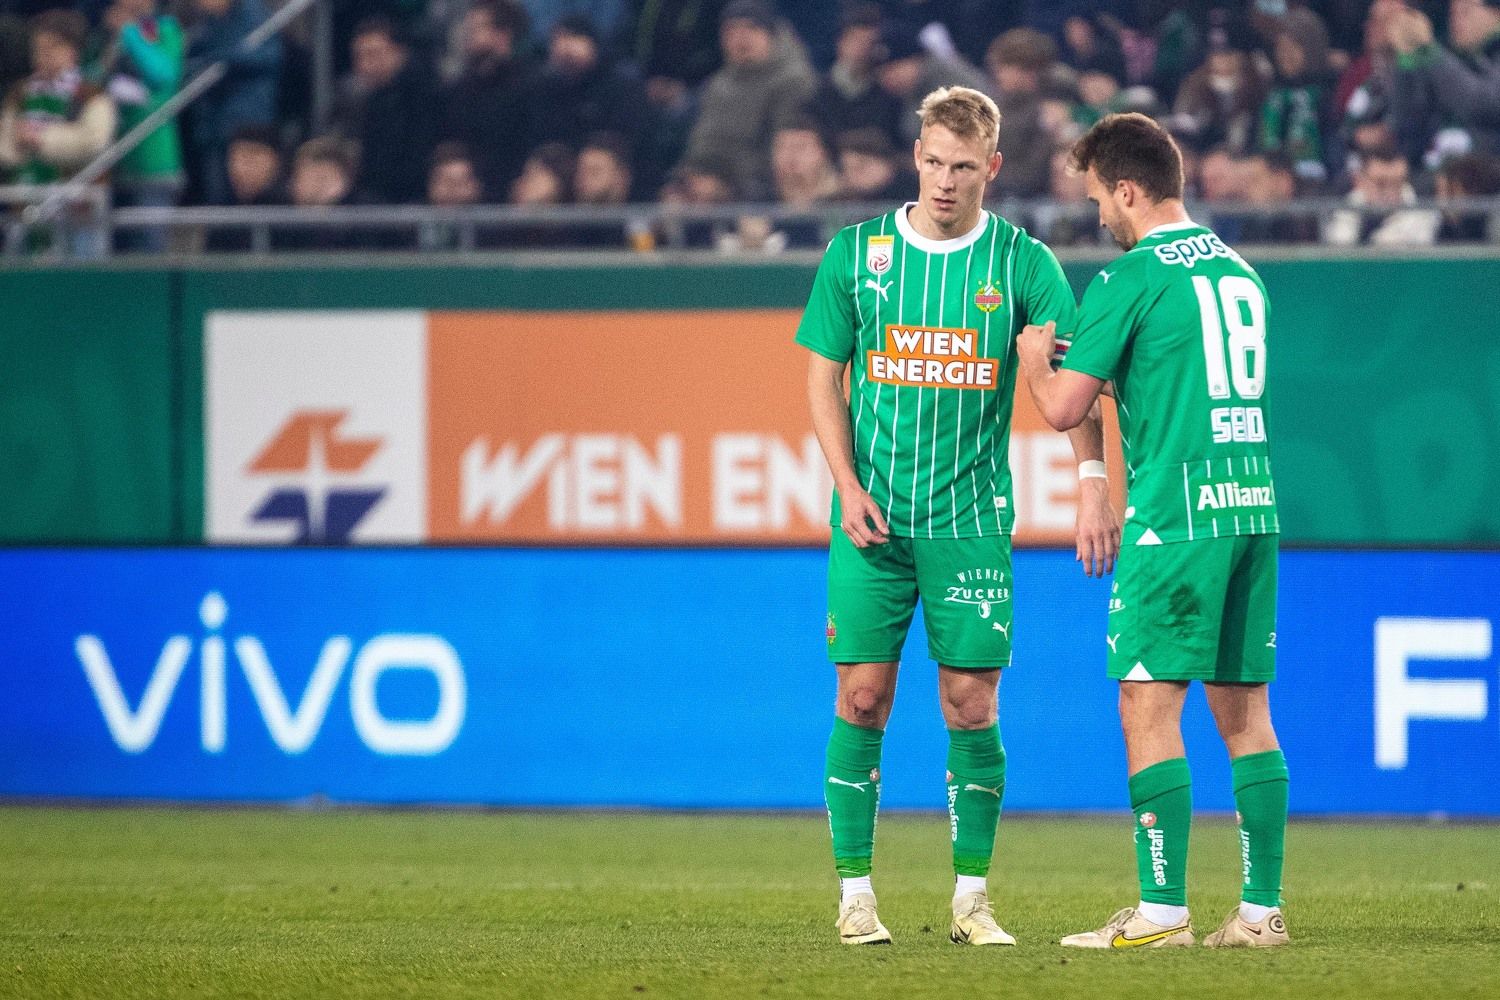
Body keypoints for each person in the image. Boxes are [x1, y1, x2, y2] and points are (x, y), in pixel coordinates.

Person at [795, 85, 1118, 948]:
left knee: (971, 705)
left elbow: (1077, 383)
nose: (944, 181)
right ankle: (855, 897)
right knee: (862, 698)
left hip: (969, 521)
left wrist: (1092, 482)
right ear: (916, 157)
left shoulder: (1023, 264)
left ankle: (971, 901)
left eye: (963, 167)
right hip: (873, 521)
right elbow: (822, 376)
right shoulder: (857, 254)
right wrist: (846, 483)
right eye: (934, 162)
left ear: (993, 168)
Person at [1014, 111, 1290, 951]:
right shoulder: (1240, 271)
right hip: (1251, 508)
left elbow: (1064, 406)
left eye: (1100, 197)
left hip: (1176, 518)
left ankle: (1163, 913)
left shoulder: (1130, 277)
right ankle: (1260, 912)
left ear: (1129, 190)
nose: (1099, 214)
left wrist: (1035, 360)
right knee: (1245, 713)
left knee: (1146, 701)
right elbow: (1179, 379)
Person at [185, 0, 280, 206]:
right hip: (213, 124)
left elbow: (268, 55)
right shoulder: (210, 22)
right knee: (217, 193)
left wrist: (218, 59)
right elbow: (195, 52)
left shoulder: (252, 14)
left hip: (247, 122)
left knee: (249, 193)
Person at [1323, 143, 1439, 247]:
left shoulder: (1422, 215)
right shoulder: (1346, 208)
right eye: (1381, 183)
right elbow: (1338, 248)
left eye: (1397, 183)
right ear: (1359, 181)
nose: (1390, 192)